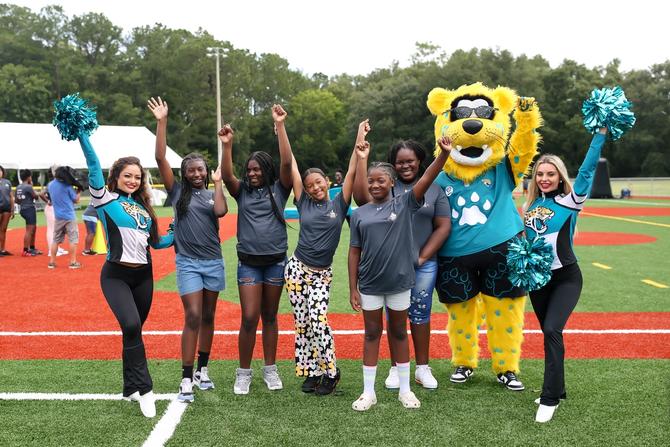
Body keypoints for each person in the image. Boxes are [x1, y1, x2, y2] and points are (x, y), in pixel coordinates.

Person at [348, 135, 452, 411]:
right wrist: (352, 287)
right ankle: (368, 392)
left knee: (399, 332)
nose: (375, 184)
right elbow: (353, 252)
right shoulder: (360, 214)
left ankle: (405, 390)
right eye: (371, 181)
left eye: (381, 180)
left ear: (392, 183)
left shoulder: (404, 203)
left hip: (399, 282)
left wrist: (443, 155)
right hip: (369, 284)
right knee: (372, 334)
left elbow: (427, 179)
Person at [75, 131, 174, 418]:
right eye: (127, 175)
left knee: (133, 332)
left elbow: (155, 243)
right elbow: (93, 164)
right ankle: (145, 389)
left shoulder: (144, 207)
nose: (133, 180)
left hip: (144, 276)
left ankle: (129, 386)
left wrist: (175, 232)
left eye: (137, 177)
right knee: (131, 325)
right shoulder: (104, 198)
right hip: (116, 275)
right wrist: (82, 135)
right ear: (116, 176)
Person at [523, 128, 607, 423]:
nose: (544, 178)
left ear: (560, 177)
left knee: (552, 330)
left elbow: (586, 171)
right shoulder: (531, 205)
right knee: (548, 334)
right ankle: (556, 389)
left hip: (566, 278)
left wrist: (599, 135)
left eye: (550, 174)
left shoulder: (571, 201)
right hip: (537, 280)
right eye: (540, 174)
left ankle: (549, 399)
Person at [149, 97, 228, 403]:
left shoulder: (212, 194)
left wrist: (218, 184)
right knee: (193, 314)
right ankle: (185, 377)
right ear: (184, 174)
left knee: (208, 316)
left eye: (201, 170)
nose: (196, 173)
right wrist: (162, 121)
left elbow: (221, 212)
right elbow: (159, 159)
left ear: (207, 172)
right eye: (191, 170)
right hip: (188, 263)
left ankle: (202, 370)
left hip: (213, 262)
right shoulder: (178, 191)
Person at [281, 109, 361, 396]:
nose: (315, 187)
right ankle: (312, 372)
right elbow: (291, 163)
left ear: (327, 181)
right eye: (310, 184)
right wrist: (281, 126)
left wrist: (359, 139)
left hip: (321, 275)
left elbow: (352, 170)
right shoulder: (303, 202)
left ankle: (331, 371)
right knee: (302, 323)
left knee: (318, 319)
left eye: (319, 182)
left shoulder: (339, 205)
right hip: (296, 270)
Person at [219, 104, 294, 395]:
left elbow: (287, 163)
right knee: (250, 317)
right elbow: (227, 176)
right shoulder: (242, 192)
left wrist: (280, 127)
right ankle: (244, 372)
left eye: (256, 169)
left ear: (266, 170)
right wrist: (228, 146)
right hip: (248, 263)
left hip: (276, 262)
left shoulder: (279, 188)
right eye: (248, 169)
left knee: (271, 316)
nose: (251, 173)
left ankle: (271, 370)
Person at [47, 166, 82, 269]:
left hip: (58, 216)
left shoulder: (50, 185)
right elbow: (76, 200)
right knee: (73, 239)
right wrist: (79, 191)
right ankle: (73, 262)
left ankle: (52, 262)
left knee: (56, 240)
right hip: (69, 216)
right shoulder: (67, 186)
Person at [15, 169, 46, 256]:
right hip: (29, 209)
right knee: (29, 230)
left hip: (23, 209)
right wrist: (33, 188)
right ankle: (26, 250)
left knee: (33, 229)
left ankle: (32, 248)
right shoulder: (28, 186)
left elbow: (17, 201)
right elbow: (36, 197)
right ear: (29, 177)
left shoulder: (18, 187)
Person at [0, 165, 14, 256]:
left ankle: (2, 250)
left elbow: (11, 196)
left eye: (0, 171)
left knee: (3, 229)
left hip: (7, 208)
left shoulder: (7, 182)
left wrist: (12, 209)